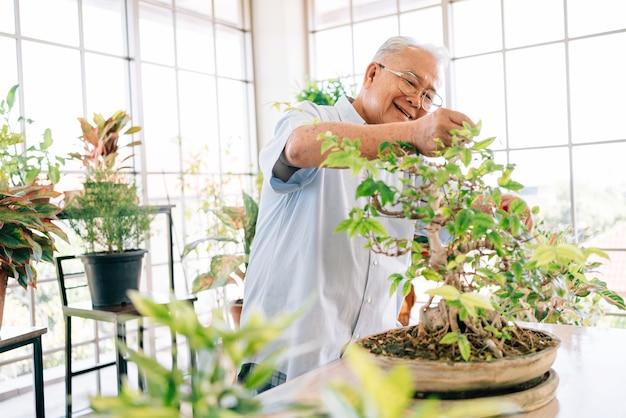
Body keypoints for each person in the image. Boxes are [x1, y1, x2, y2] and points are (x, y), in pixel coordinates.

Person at [238, 35, 476, 393]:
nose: (417, 101)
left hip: (367, 368)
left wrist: (490, 208)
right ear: (371, 73)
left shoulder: (410, 166)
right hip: (284, 361)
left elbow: (445, 228)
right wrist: (412, 133)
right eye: (411, 81)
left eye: (429, 95)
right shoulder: (313, 118)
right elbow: (299, 148)